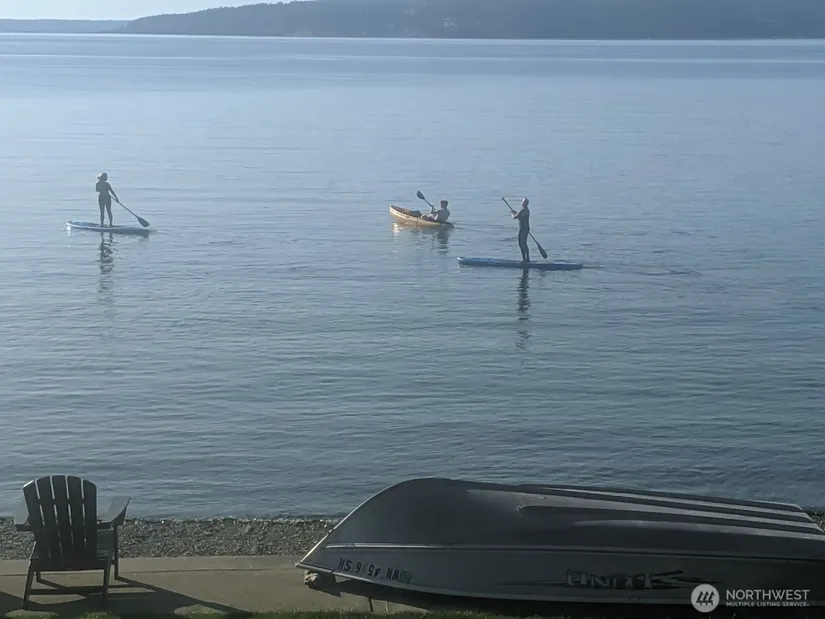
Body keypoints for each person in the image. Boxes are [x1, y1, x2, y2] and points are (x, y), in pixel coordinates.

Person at [510, 197, 531, 262]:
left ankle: (525, 259)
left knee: (522, 244)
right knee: (523, 244)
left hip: (523, 229)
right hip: (525, 229)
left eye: (524, 202)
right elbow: (519, 216)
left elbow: (515, 217)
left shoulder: (524, 210)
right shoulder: (525, 210)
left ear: (526, 203)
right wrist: (514, 212)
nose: (523, 203)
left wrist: (512, 213)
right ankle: (526, 258)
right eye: (522, 202)